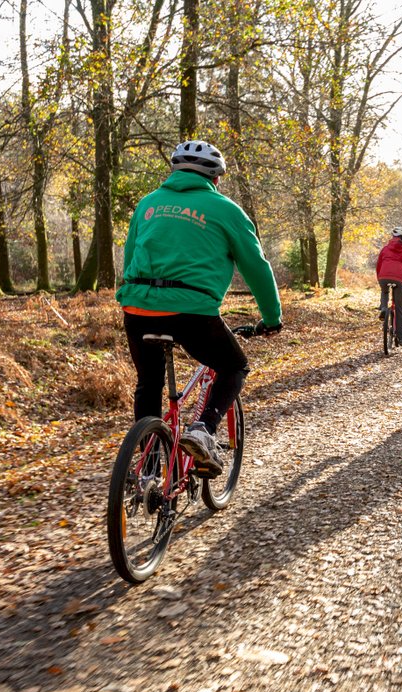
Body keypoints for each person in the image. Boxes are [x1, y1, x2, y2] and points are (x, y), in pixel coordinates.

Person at [115, 140, 282, 476]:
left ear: (174, 171)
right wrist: (271, 318)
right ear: (215, 179)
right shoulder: (225, 209)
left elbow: (130, 256)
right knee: (234, 367)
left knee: (148, 385)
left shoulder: (147, 204)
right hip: (191, 312)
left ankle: (148, 468)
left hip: (137, 309)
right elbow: (257, 266)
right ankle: (202, 431)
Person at [376, 226, 402, 345]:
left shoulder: (385, 249)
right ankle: (401, 338)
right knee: (399, 307)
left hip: (383, 277)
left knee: (384, 292)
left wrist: (380, 278)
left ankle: (384, 308)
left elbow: (379, 264)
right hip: (399, 279)